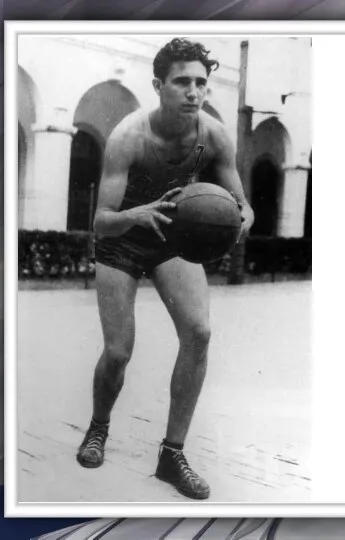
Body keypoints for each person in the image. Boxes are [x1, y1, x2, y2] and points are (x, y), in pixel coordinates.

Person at [75, 38, 254, 501]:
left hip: (171, 239)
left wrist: (243, 216)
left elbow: (239, 201)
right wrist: (137, 213)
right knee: (118, 352)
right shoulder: (128, 137)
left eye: (200, 82)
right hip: (122, 240)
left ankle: (172, 455)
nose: (193, 91)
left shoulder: (213, 135)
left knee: (199, 332)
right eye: (182, 82)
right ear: (159, 85)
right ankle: (98, 428)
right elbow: (101, 221)